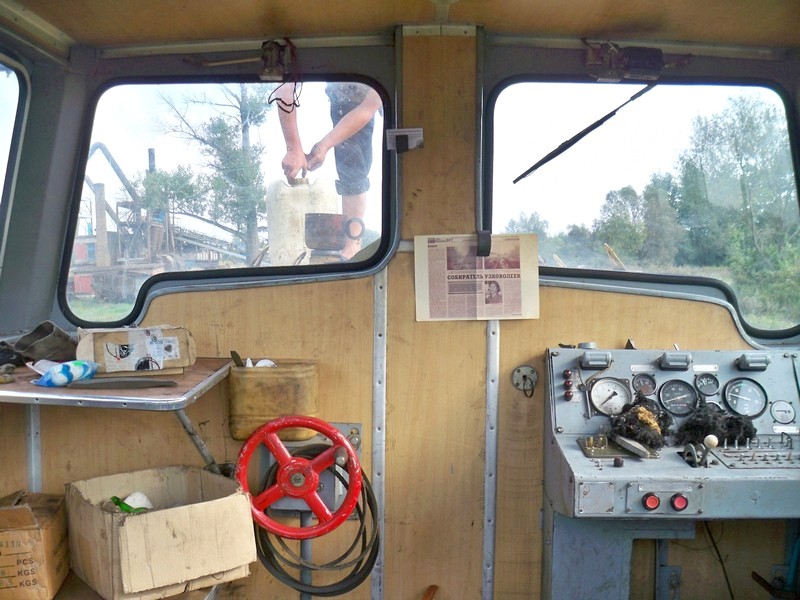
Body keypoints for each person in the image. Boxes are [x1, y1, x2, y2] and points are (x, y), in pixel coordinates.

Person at [277, 82, 382, 259]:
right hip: (339, 92)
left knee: (352, 162)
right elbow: (284, 88)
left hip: (358, 96)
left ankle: (352, 244)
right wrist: (293, 147)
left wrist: (324, 145)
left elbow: (369, 106)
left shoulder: (374, 82)